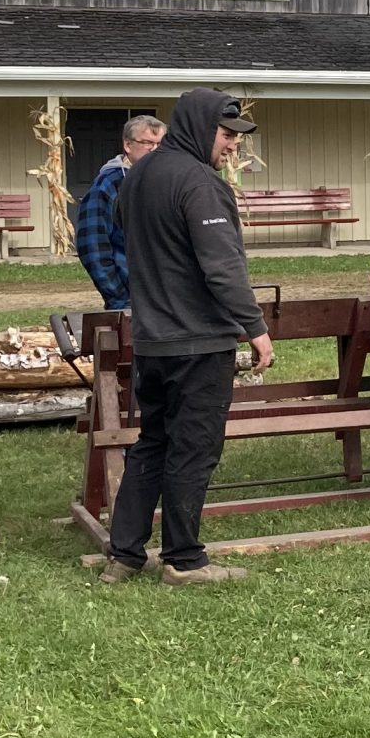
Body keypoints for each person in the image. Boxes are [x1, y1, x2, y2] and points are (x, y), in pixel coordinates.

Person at [100, 89, 273, 586]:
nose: (233, 147)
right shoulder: (200, 182)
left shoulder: (136, 178)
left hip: (151, 340)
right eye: (226, 135)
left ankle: (125, 554)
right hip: (198, 343)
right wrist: (256, 328)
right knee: (193, 448)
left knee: (152, 443)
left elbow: (122, 229)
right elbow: (222, 269)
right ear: (199, 127)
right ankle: (183, 559)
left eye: (237, 138)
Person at [74, 112, 164, 310]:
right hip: (132, 299)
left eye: (160, 144)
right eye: (148, 143)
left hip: (167, 298)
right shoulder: (108, 185)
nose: (155, 150)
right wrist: (120, 297)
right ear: (128, 145)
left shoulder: (166, 182)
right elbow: (92, 247)